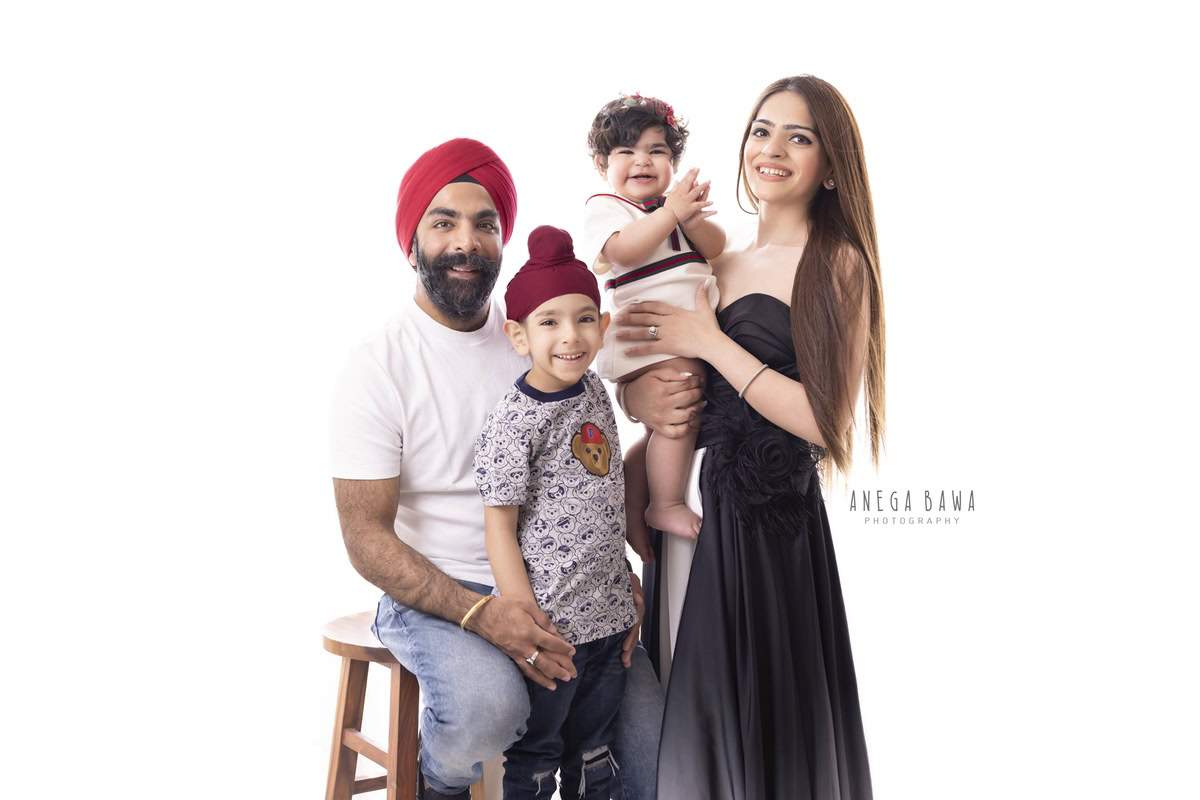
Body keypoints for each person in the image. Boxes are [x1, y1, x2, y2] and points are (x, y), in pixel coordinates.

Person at [329, 138, 664, 800]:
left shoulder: (542, 333)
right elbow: (365, 538)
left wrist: (610, 578)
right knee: (489, 714)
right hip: (437, 593)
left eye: (485, 224)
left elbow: (588, 478)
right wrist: (483, 613)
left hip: (563, 588)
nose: (467, 241)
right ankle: (437, 786)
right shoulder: (377, 367)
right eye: (444, 222)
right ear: (412, 243)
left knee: (654, 753)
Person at [618, 76, 886, 799]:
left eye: (799, 137)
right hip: (687, 508)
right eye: (762, 131)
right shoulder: (719, 260)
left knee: (758, 722)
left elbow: (825, 421)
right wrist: (636, 396)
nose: (772, 149)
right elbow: (674, 380)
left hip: (765, 527)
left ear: (831, 167)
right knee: (686, 705)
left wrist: (711, 339)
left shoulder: (837, 263)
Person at [474, 225, 637, 799]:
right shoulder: (514, 420)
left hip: (609, 616)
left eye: (585, 318)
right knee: (539, 753)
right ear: (518, 335)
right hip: (553, 625)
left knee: (595, 750)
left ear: (603, 325)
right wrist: (525, 619)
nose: (571, 335)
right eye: (550, 322)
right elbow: (499, 527)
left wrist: (624, 584)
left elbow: (605, 493)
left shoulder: (594, 390)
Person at [580, 94, 725, 542]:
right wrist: (670, 213)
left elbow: (715, 247)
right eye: (626, 151)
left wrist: (690, 219)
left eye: (656, 150)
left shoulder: (672, 210)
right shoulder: (607, 206)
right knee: (681, 404)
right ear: (603, 165)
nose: (642, 160)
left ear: (673, 163)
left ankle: (635, 491)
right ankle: (665, 503)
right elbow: (624, 250)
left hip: (677, 334)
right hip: (647, 335)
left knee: (668, 423)